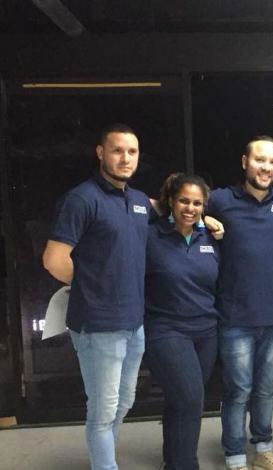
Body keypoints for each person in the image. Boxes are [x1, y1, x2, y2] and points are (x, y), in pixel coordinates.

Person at [42, 123, 152, 470]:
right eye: (117, 150)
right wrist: (92, 286)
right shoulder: (82, 199)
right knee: (103, 411)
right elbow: (54, 259)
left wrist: (207, 220)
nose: (125, 158)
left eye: (132, 151)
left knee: (123, 403)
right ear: (101, 153)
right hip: (98, 325)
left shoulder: (137, 201)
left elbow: (167, 208)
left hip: (134, 323)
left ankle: (105, 460)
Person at [205, 135, 273, 470]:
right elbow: (178, 207)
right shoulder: (220, 200)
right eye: (260, 160)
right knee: (238, 390)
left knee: (265, 388)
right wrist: (204, 219)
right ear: (245, 161)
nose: (266, 167)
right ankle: (234, 456)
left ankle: (263, 449)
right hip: (234, 317)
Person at [144, 173, 220, 470]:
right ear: (171, 202)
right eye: (184, 201)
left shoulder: (211, 238)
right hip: (166, 329)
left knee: (181, 401)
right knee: (190, 398)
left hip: (206, 331)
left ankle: (172, 461)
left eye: (197, 203)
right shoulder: (151, 236)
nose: (190, 208)